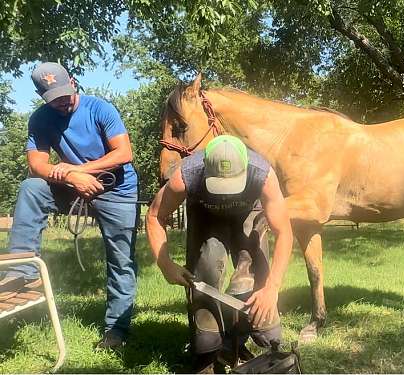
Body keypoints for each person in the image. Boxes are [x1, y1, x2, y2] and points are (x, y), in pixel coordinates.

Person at [0, 62, 139, 349]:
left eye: (65, 93)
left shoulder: (100, 108)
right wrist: (71, 176)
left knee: (121, 260)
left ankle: (117, 330)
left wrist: (81, 171)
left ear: (73, 82)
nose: (62, 101)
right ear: (42, 96)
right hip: (72, 186)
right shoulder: (40, 119)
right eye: (53, 98)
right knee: (31, 188)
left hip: (117, 189)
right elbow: (36, 164)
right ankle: (22, 273)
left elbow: (124, 152)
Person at [146, 135, 293, 373]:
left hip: (248, 213)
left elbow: (284, 231)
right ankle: (208, 349)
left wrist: (272, 287)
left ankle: (241, 340)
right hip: (206, 216)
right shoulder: (187, 175)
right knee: (206, 269)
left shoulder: (262, 174)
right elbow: (154, 216)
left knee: (262, 304)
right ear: (205, 168)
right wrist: (165, 263)